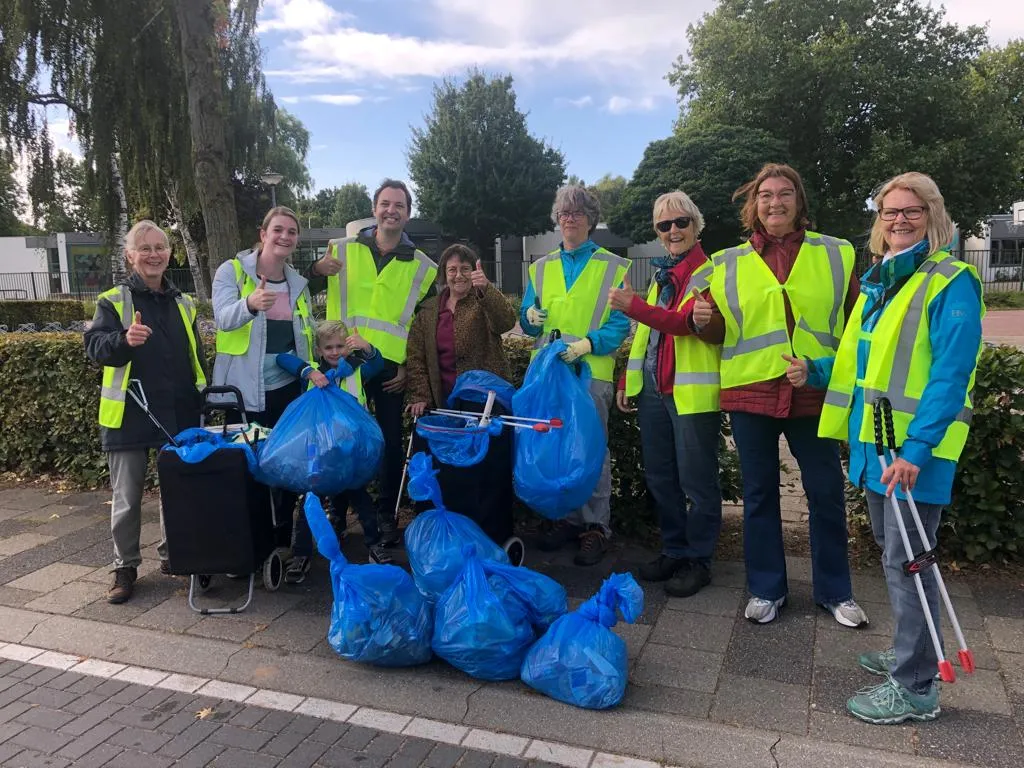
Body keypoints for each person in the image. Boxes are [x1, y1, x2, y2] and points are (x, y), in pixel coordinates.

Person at [789, 172, 983, 723]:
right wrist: (815, 370)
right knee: (896, 557)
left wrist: (917, 449)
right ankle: (910, 651)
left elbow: (951, 374)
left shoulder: (951, 281)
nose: (899, 219)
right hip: (877, 448)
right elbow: (863, 360)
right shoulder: (884, 280)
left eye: (911, 210)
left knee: (909, 563)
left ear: (933, 216)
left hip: (914, 455)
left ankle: (917, 684)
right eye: (889, 211)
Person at [694, 163, 868, 627]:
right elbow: (719, 330)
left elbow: (857, 323)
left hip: (813, 390)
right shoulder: (726, 262)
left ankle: (836, 591)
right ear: (754, 205)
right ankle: (767, 589)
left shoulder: (836, 253)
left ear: (799, 200)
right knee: (758, 495)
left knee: (826, 492)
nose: (775, 202)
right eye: (766, 194)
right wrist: (702, 321)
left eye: (785, 193)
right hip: (751, 392)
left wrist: (827, 371)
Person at [307, 180, 438, 546]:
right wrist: (316, 269)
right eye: (385, 203)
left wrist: (408, 367)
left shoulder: (424, 267)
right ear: (374, 208)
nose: (391, 210)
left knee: (389, 443)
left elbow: (422, 328)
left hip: (388, 369)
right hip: (342, 365)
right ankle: (338, 511)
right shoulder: (341, 250)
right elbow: (301, 288)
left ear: (408, 214)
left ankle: (385, 513)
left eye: (399, 205)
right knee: (340, 440)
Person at [85, 220, 206, 604]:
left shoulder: (183, 302)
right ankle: (125, 567)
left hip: (177, 412)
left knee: (177, 490)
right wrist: (124, 339)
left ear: (169, 253)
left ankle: (176, 555)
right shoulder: (114, 300)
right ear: (130, 256)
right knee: (127, 498)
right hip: (130, 413)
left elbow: (195, 356)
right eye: (145, 248)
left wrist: (201, 398)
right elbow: (95, 348)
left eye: (160, 247)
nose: (154, 255)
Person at [611, 191, 722, 597]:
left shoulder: (710, 272)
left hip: (690, 395)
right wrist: (627, 380)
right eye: (664, 225)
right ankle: (675, 550)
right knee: (660, 477)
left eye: (680, 222)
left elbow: (682, 324)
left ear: (696, 225)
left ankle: (699, 560)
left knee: (697, 482)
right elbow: (647, 336)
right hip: (654, 392)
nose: (673, 230)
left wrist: (633, 306)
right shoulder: (665, 274)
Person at [519, 184, 631, 566]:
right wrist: (528, 318)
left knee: (592, 449)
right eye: (564, 213)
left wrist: (587, 344)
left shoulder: (614, 267)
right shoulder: (540, 267)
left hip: (591, 372)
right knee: (556, 447)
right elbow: (527, 321)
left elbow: (619, 324)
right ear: (557, 219)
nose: (569, 219)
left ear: (590, 220)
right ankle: (566, 520)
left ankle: (596, 527)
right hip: (548, 375)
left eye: (577, 213)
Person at [211, 206, 317, 570]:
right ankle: (248, 542)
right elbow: (222, 319)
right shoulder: (232, 271)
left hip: (287, 390)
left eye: (292, 232)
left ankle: (281, 539)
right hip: (243, 392)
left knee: (284, 465)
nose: (285, 236)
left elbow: (305, 335)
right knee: (248, 465)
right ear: (263, 234)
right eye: (278, 230)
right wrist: (250, 304)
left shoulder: (297, 283)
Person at [405, 243, 519, 555]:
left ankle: (492, 537)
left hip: (484, 403)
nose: (459, 275)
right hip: (445, 404)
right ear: (444, 274)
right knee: (451, 475)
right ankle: (451, 538)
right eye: (452, 269)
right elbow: (415, 356)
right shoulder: (429, 311)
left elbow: (506, 321)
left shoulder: (482, 301)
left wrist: (487, 290)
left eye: (465, 269)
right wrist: (420, 395)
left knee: (487, 472)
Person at [276, 320, 390, 575]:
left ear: (348, 347)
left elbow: (378, 364)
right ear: (319, 350)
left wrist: (367, 347)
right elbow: (283, 359)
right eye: (328, 347)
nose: (335, 352)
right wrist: (308, 371)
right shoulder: (314, 374)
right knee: (311, 501)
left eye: (340, 346)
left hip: (350, 451)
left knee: (361, 499)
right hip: (319, 453)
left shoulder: (356, 372)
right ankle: (301, 552)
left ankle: (374, 544)